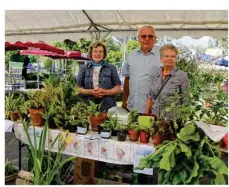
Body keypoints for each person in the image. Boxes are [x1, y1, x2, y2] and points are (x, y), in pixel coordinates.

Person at [121, 25, 161, 113]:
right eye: (143, 36)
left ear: (155, 38)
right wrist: (124, 101)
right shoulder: (131, 56)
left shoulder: (163, 56)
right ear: (138, 38)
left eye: (150, 36)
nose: (147, 39)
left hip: (154, 110)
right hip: (132, 108)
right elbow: (127, 79)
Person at [145, 44, 189, 118]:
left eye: (173, 56)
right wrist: (145, 115)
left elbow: (186, 101)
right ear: (161, 58)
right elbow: (150, 97)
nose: (170, 58)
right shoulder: (157, 73)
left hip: (172, 121)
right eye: (166, 56)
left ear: (176, 58)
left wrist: (183, 121)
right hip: (154, 118)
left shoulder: (182, 76)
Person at [76, 41, 121, 112]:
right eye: (95, 51)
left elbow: (118, 88)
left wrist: (106, 92)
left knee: (108, 122)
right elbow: (77, 88)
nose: (98, 54)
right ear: (91, 53)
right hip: (88, 106)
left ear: (104, 54)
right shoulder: (84, 68)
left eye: (100, 52)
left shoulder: (111, 67)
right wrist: (91, 91)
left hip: (108, 106)